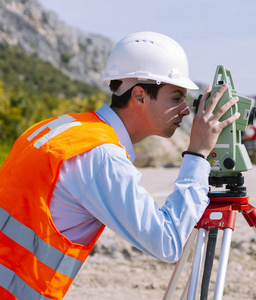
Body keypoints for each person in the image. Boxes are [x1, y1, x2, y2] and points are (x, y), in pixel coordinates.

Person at [0, 31, 240, 300]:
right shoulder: (100, 156)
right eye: (176, 97)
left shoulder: (59, 128)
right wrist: (197, 154)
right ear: (139, 96)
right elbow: (168, 241)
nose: (185, 110)